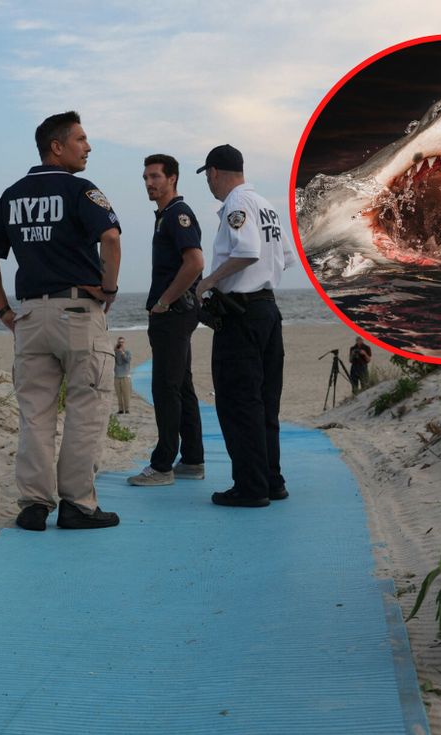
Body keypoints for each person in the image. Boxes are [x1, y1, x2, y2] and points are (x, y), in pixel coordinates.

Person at [0, 111, 122, 531]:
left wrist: (4, 309)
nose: (88, 146)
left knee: (35, 413)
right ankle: (76, 503)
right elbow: (110, 238)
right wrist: (108, 289)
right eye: (81, 139)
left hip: (30, 315)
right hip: (77, 312)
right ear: (56, 146)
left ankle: (34, 505)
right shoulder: (80, 190)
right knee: (86, 407)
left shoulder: (13, 195)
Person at [194, 145, 297, 508]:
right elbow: (285, 258)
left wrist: (209, 282)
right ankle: (271, 479)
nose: (208, 182)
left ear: (215, 172)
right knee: (266, 401)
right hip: (268, 308)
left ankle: (250, 487)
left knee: (240, 402)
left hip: (241, 314)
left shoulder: (236, 206)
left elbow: (247, 250)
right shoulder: (266, 206)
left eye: (207, 175)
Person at [127, 153, 205, 487]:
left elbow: (196, 262)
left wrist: (163, 301)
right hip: (176, 314)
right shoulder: (165, 216)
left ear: (172, 178)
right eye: (145, 177)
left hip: (173, 314)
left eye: (155, 176)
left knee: (165, 387)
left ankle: (162, 466)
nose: (149, 183)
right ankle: (192, 459)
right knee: (182, 385)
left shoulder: (178, 215)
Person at [114, 336, 132, 414]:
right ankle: (120, 409)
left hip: (125, 376)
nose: (120, 344)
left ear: (124, 343)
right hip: (117, 376)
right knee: (118, 395)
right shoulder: (115, 352)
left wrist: (122, 353)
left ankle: (127, 409)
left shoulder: (127, 352)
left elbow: (127, 360)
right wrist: (114, 350)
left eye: (122, 342)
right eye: (119, 342)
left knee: (126, 394)